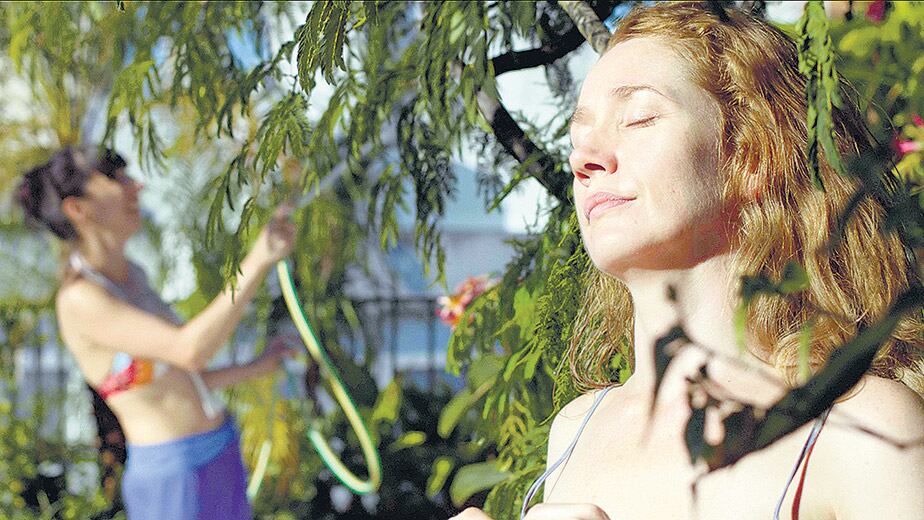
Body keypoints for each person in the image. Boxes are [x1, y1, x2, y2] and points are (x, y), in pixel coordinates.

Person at [453, 3, 924, 519]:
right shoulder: (577, 428)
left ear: (752, 155)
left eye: (638, 118)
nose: (583, 158)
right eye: (578, 136)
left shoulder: (863, 429)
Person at [16, 145, 297, 520]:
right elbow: (189, 351)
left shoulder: (133, 276)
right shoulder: (80, 299)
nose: (137, 186)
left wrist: (256, 367)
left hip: (217, 452)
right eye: (116, 179)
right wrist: (259, 259)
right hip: (173, 478)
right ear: (77, 209)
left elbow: (174, 379)